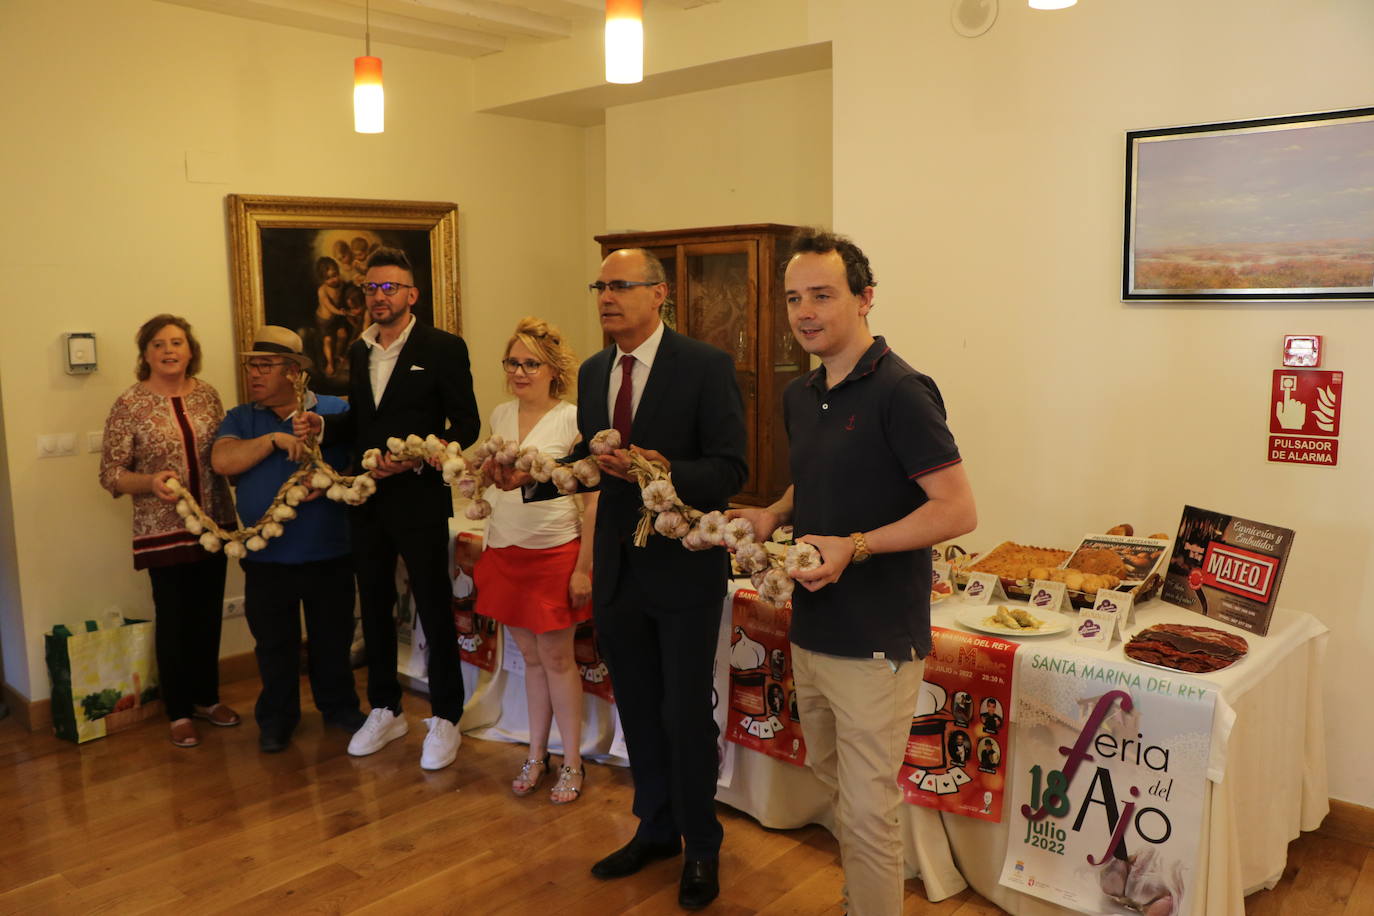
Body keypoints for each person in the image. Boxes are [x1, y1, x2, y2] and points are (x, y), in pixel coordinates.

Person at [728, 229, 978, 916]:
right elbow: (814, 485)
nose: (805, 311)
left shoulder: (902, 391)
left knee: (868, 813)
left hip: (877, 643)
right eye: (793, 298)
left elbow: (957, 510)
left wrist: (856, 546)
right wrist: (774, 511)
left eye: (823, 295)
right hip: (811, 629)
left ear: (866, 299)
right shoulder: (800, 394)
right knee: (835, 782)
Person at [493, 248, 747, 910]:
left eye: (620, 285)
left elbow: (729, 468)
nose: (606, 297)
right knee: (636, 705)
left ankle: (702, 843)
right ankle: (655, 828)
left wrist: (668, 472)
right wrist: (531, 477)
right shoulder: (599, 369)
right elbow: (588, 462)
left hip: (683, 567)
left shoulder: (705, 366)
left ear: (659, 293)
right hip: (617, 568)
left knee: (683, 712)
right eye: (599, 286)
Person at [296, 246, 480, 771]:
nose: (379, 297)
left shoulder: (443, 347)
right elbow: (361, 423)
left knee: (432, 605)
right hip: (367, 497)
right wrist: (324, 428)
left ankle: (446, 715)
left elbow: (465, 425)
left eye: (389, 288)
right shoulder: (359, 351)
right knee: (372, 605)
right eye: (372, 289)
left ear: (411, 295)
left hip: (419, 496)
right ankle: (385, 707)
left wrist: (422, 457)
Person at [211, 326, 364, 753]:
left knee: (332, 638)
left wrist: (330, 479)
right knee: (274, 645)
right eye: (251, 364)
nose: (254, 374)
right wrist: (274, 439)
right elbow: (223, 459)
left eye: (265, 365)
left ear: (295, 373)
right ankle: (277, 720)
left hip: (330, 551)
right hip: (266, 556)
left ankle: (339, 708)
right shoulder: (242, 417)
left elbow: (361, 472)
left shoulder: (335, 412)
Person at [472, 317, 598, 804]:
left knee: (557, 660)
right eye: (513, 363)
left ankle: (573, 761)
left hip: (553, 554)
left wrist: (583, 567)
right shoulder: (500, 415)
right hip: (504, 549)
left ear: (553, 370)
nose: (520, 372)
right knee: (528, 659)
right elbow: (486, 474)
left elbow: (592, 499)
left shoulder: (571, 420)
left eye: (531, 364)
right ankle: (536, 753)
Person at [99, 314, 239, 749]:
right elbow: (111, 474)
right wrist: (149, 482)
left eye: (177, 342)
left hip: (212, 525)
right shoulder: (130, 405)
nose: (169, 351)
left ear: (191, 350)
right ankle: (178, 711)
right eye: (158, 344)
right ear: (145, 354)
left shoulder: (209, 397)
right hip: (163, 530)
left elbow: (223, 454)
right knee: (175, 620)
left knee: (208, 615)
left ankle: (206, 698)